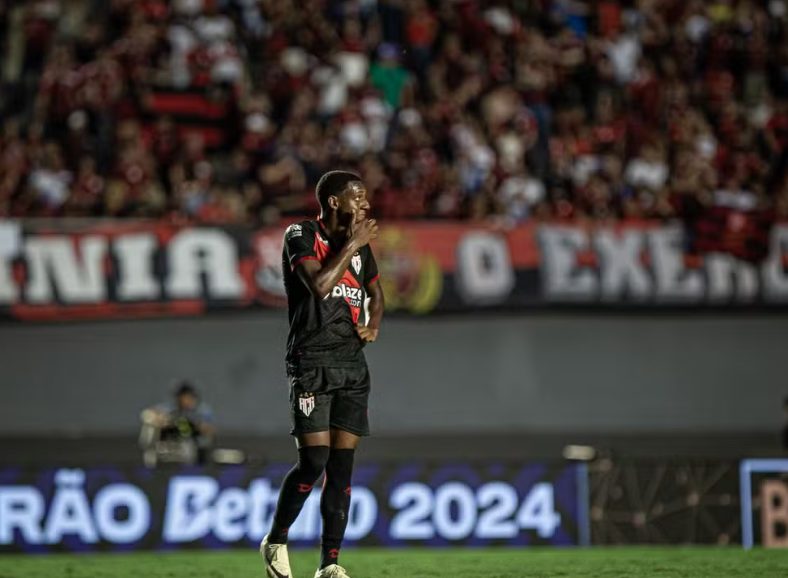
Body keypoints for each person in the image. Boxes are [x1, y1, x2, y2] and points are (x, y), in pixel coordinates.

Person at [260, 170, 384, 578]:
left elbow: (375, 293)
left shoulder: (361, 249)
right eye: (358, 198)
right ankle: (276, 539)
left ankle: (329, 565)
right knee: (314, 460)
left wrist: (372, 323)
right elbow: (319, 285)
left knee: (342, 467)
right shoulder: (301, 234)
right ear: (334, 202)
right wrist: (353, 244)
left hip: (352, 365)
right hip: (311, 360)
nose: (365, 205)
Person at [139, 381, 216, 465]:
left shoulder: (201, 411)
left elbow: (208, 430)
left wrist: (193, 425)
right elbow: (148, 414)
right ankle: (151, 459)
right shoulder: (172, 408)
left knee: (184, 425)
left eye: (189, 397)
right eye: (183, 397)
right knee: (150, 425)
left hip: (192, 447)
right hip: (170, 444)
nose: (186, 400)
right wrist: (164, 420)